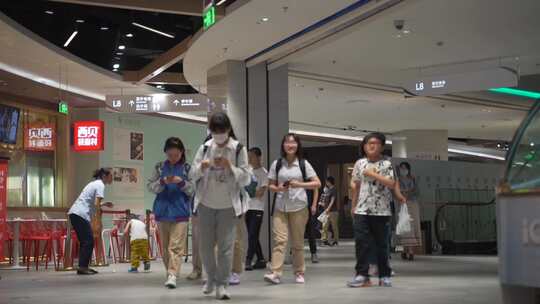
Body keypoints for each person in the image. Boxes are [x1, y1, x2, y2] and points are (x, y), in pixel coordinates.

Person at [190, 112, 251, 300]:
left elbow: (247, 178)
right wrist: (203, 166)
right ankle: (210, 279)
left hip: (228, 206)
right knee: (205, 247)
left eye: (221, 131)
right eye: (215, 131)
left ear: (228, 129)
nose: (218, 134)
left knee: (226, 248)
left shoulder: (239, 149)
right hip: (206, 203)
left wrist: (230, 167)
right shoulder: (204, 148)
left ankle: (223, 285)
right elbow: (192, 174)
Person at [264, 133, 321, 285]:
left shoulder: (303, 164)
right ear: (283, 145)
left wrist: (299, 184)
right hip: (280, 207)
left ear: (297, 146)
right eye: (287, 142)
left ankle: (299, 272)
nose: (290, 145)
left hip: (299, 207)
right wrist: (278, 189)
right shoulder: (276, 164)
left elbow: (317, 183)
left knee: (297, 242)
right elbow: (270, 185)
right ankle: (275, 273)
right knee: (279, 240)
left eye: (293, 142)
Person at [347, 132, 399, 288]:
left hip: (381, 211)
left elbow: (391, 183)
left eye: (375, 143)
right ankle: (362, 275)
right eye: (368, 143)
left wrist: (372, 174)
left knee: (382, 245)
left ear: (382, 146)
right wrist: (353, 205)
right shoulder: (359, 163)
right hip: (362, 210)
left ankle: (384, 276)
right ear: (364, 146)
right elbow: (355, 186)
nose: (371, 145)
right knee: (361, 243)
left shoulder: (386, 164)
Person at [147, 137, 194, 289]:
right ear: (165, 153)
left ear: (181, 153)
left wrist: (181, 182)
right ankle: (170, 273)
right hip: (162, 211)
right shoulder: (159, 167)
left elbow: (194, 190)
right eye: (170, 155)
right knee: (166, 247)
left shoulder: (188, 168)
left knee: (175, 246)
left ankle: (173, 274)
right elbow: (150, 186)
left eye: (176, 155)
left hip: (180, 213)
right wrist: (162, 182)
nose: (173, 158)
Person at [67, 168, 113, 275]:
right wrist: (97, 220)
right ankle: (83, 267)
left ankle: (83, 266)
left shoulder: (94, 184)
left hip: (76, 213)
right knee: (88, 241)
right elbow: (96, 203)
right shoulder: (100, 185)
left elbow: (92, 202)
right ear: (104, 176)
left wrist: (104, 204)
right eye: (111, 176)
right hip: (80, 214)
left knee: (86, 241)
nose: (112, 178)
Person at [244, 147, 268, 271]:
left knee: (252, 235)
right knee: (252, 235)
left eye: (252, 156)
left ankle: (248, 260)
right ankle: (261, 259)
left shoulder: (263, 173)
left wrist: (249, 190)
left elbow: (260, 193)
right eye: (248, 157)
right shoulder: (248, 171)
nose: (249, 159)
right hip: (247, 207)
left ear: (259, 157)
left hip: (257, 209)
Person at [396, 162, 422, 260]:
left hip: (413, 204)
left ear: (408, 169)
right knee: (404, 227)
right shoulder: (397, 180)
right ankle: (404, 250)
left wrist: (408, 193)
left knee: (412, 227)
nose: (403, 170)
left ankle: (411, 251)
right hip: (402, 205)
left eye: (405, 168)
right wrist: (403, 194)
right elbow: (396, 191)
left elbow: (417, 192)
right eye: (401, 168)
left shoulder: (413, 179)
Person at [320, 176, 339, 246]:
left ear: (329, 182)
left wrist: (328, 208)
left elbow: (332, 200)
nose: (326, 183)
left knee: (334, 226)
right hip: (326, 210)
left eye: (327, 181)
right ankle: (324, 240)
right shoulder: (327, 190)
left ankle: (336, 240)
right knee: (324, 225)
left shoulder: (333, 189)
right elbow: (325, 199)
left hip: (333, 211)